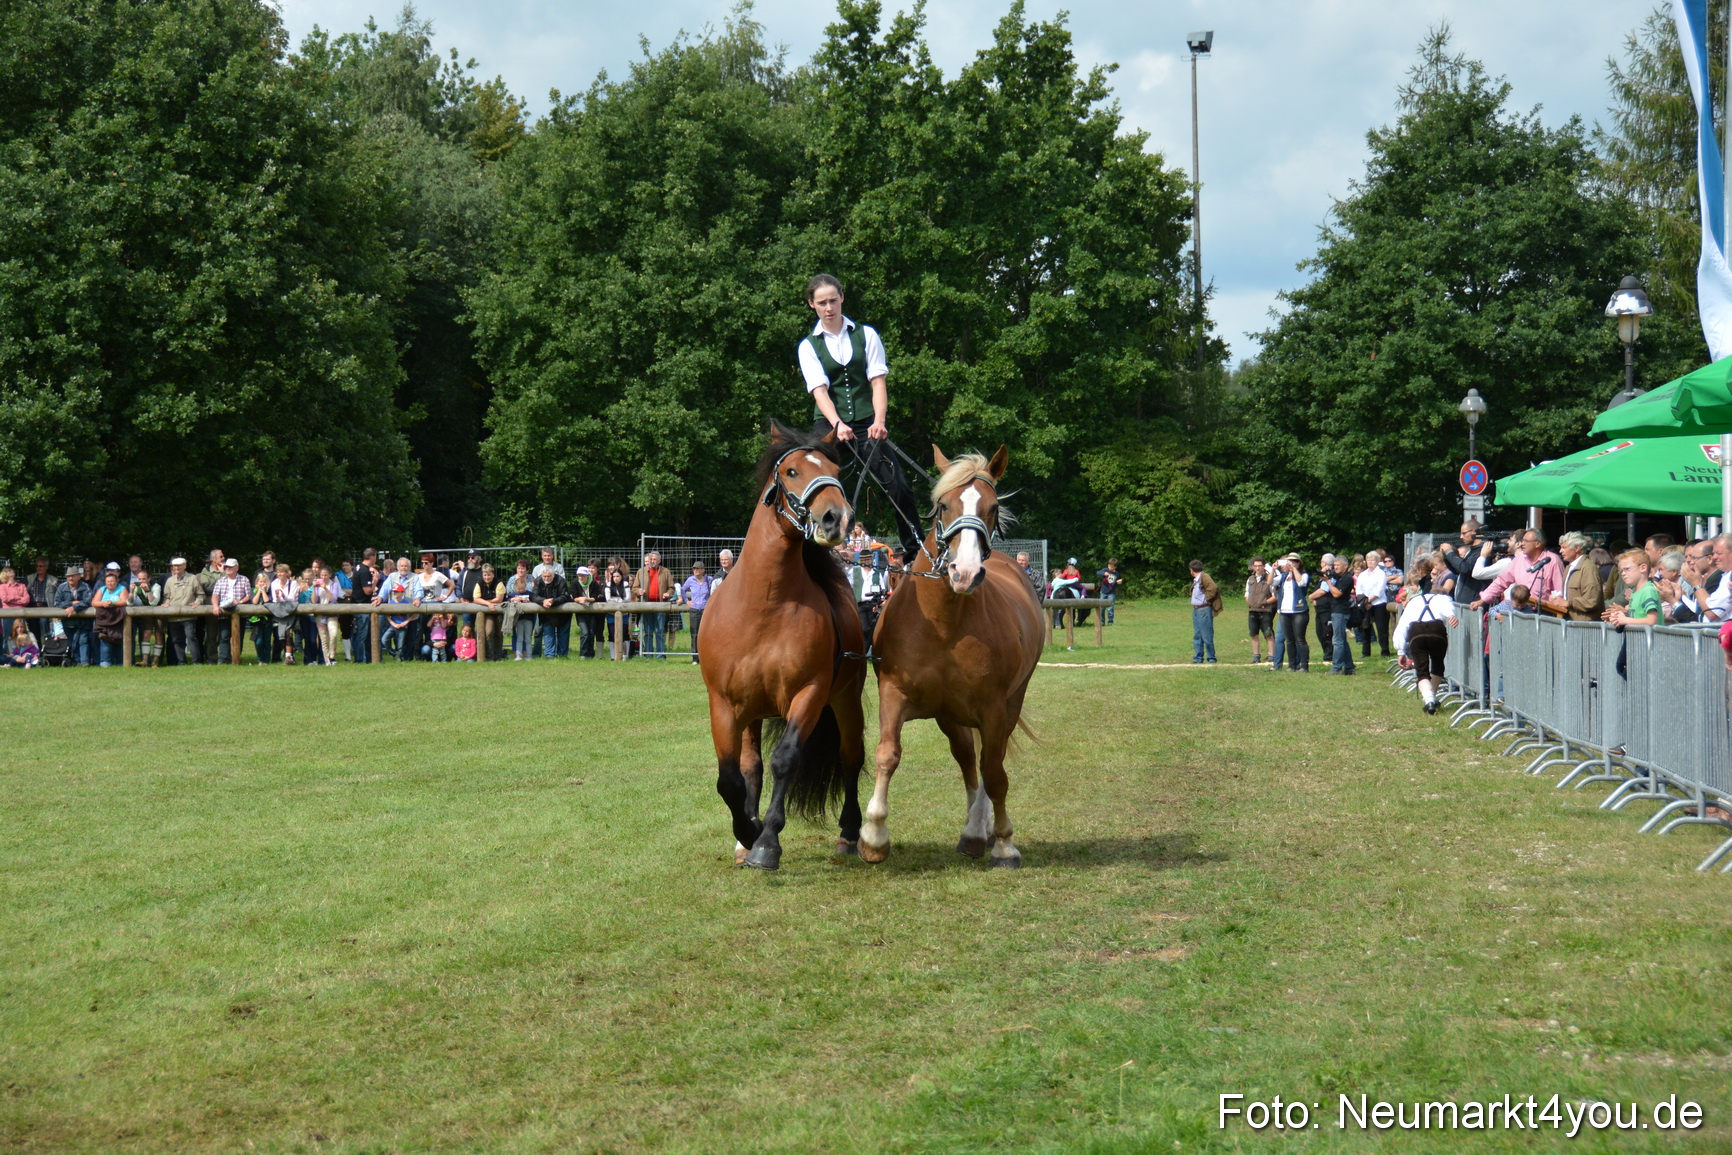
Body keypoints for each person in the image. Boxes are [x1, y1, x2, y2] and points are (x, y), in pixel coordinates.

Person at [797, 272, 922, 558]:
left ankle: (915, 549)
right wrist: (838, 423)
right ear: (811, 304)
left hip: (868, 422)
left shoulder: (866, 334)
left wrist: (879, 421)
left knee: (898, 484)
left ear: (842, 298)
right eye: (821, 303)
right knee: (807, 473)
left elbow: (878, 382)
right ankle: (806, 547)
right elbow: (820, 391)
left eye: (833, 300)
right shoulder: (808, 346)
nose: (828, 308)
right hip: (829, 423)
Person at [1393, 561, 1460, 715]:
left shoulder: (1414, 601)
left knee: (1421, 668)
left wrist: (1400, 651)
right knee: (1437, 664)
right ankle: (1432, 697)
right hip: (1437, 629)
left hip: (1417, 631)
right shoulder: (1443, 598)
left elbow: (1402, 625)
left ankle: (1429, 699)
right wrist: (1451, 616)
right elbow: (1449, 611)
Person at [1473, 529, 1563, 610]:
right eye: (1522, 540)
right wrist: (1482, 600)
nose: (1522, 544)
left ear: (1538, 544)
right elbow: (1502, 581)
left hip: (1544, 615)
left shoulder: (1552, 560)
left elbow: (1559, 592)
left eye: (1526, 541)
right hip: (1521, 612)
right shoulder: (1520, 558)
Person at [1542, 531, 1605, 621]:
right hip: (1570, 622)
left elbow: (1592, 601)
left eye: (1564, 547)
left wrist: (1567, 603)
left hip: (1585, 626)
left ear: (1577, 548)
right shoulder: (1569, 567)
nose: (1560, 551)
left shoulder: (1588, 569)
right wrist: (1557, 600)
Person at [632, 551, 676, 660]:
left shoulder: (666, 572)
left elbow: (672, 588)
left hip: (661, 605)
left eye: (654, 559)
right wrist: (639, 591)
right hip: (646, 605)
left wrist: (668, 594)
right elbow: (634, 588)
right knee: (648, 631)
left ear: (659, 560)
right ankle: (648, 655)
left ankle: (661, 655)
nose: (652, 561)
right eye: (650, 559)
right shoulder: (641, 572)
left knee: (660, 631)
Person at [1316, 554, 1355, 675]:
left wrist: (1327, 581)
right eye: (1335, 565)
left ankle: (1336, 667)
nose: (1336, 567)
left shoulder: (1347, 578)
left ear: (1345, 566)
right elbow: (1323, 574)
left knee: (1337, 641)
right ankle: (1349, 667)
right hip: (1336, 611)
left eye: (1338, 565)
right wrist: (1325, 572)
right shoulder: (1339, 576)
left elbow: (1337, 594)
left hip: (1340, 612)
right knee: (1342, 640)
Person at [1271, 552, 1310, 673]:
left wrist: (1294, 570)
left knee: (1300, 639)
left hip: (1299, 610)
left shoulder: (1304, 575)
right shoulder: (1284, 576)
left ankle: (1304, 665)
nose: (1291, 563)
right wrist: (1273, 570)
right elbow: (1270, 582)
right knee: (1290, 640)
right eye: (1289, 561)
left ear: (1298, 563)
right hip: (1285, 611)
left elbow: (1301, 582)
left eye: (1293, 561)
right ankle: (1292, 665)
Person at [1605, 550, 1661, 628]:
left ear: (1643, 568)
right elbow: (1637, 618)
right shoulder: (1635, 593)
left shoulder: (1648, 591)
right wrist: (1617, 618)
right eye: (1621, 571)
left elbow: (1651, 620)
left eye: (1627, 569)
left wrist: (1625, 620)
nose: (1623, 574)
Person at [91, 563, 130, 667]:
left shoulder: (122, 588)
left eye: (112, 581)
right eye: (108, 581)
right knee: (105, 643)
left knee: (119, 642)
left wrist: (112, 603)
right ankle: (105, 663)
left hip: (119, 621)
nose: (110, 583)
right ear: (105, 582)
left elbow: (125, 601)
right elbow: (94, 602)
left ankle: (120, 663)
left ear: (117, 581)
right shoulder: (102, 589)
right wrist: (103, 603)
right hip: (104, 622)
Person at [1354, 550, 1391, 657]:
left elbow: (1379, 590)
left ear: (1377, 561)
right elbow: (1359, 589)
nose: (1370, 562)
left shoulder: (1381, 573)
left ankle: (1385, 651)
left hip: (1379, 603)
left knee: (1381, 628)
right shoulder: (1362, 574)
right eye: (1368, 560)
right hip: (1365, 604)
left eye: (1373, 560)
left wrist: (1369, 600)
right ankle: (1365, 652)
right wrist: (1365, 601)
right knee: (1365, 627)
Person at [55, 565, 93, 666]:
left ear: (78, 577)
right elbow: (57, 603)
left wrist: (75, 608)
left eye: (73, 576)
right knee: (72, 642)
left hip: (83, 621)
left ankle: (84, 662)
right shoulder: (61, 587)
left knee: (83, 641)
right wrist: (72, 603)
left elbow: (88, 601)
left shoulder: (85, 587)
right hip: (68, 621)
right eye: (68, 576)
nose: (70, 578)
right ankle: (76, 662)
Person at [532, 562, 571, 658]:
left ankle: (562, 656)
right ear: (541, 575)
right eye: (544, 576)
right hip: (546, 614)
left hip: (563, 613)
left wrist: (553, 601)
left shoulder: (561, 581)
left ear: (554, 575)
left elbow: (565, 596)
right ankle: (550, 655)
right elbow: (533, 596)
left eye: (548, 576)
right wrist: (543, 601)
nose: (546, 578)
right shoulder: (538, 581)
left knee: (563, 635)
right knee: (548, 634)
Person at [679, 561, 713, 665]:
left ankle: (705, 656)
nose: (695, 571)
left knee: (707, 634)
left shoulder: (709, 580)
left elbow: (714, 592)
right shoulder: (690, 579)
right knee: (694, 634)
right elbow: (682, 589)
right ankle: (695, 657)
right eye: (694, 569)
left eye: (698, 568)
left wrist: (710, 603)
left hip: (705, 610)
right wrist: (686, 600)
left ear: (703, 570)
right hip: (694, 610)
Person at [1187, 559, 1220, 664]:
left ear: (1191, 570)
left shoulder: (1204, 577)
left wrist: (1206, 600)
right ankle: (1198, 657)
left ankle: (1211, 657)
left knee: (1206, 634)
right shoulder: (1198, 579)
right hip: (1197, 610)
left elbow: (1213, 588)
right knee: (1197, 634)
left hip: (1203, 609)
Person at [1244, 557, 1276, 663]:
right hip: (1253, 610)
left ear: (1264, 566)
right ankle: (1256, 657)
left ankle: (1272, 656)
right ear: (1253, 567)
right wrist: (1250, 603)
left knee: (1268, 633)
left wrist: (1264, 603)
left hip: (1265, 611)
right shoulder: (1250, 579)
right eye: (1256, 566)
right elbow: (1247, 594)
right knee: (1253, 634)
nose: (1258, 568)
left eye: (1260, 565)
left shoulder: (1269, 579)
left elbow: (1275, 596)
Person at [504, 559, 537, 659]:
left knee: (528, 635)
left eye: (523, 568)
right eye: (519, 568)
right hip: (517, 612)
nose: (520, 570)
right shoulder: (512, 579)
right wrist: (515, 598)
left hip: (529, 613)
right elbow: (509, 594)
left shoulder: (531, 578)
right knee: (517, 634)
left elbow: (534, 594)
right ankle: (517, 653)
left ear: (527, 570)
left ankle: (527, 654)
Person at [130, 564, 163, 666]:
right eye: (139, 579)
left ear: (149, 579)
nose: (141, 581)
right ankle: (144, 661)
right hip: (147, 614)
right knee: (146, 634)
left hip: (160, 613)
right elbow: (129, 603)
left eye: (144, 579)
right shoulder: (137, 587)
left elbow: (154, 603)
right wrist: (131, 591)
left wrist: (148, 591)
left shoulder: (156, 586)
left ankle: (155, 662)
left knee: (158, 635)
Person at [472, 562, 505, 659]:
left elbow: (499, 599)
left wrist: (484, 601)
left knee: (499, 633)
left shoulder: (499, 583)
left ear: (493, 574)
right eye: (485, 575)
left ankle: (498, 656)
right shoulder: (479, 584)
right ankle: (490, 656)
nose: (487, 577)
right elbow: (475, 598)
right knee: (489, 632)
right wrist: (489, 603)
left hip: (499, 611)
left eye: (489, 575)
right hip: (487, 612)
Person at [0, 566, 30, 659]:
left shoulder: (22, 586)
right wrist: (18, 598)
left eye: (11, 570)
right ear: (5, 574)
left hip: (20, 614)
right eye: (8, 571)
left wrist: (11, 600)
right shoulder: (2, 586)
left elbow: (26, 600)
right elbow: (4, 598)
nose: (10, 572)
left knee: (22, 636)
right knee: (6, 637)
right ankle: (4, 658)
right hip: (7, 614)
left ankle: (23, 656)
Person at [604, 562, 632, 658]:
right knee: (612, 635)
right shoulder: (608, 585)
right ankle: (613, 656)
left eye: (618, 576)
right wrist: (620, 600)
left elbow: (628, 598)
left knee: (624, 634)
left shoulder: (625, 584)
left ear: (621, 577)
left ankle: (624, 655)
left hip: (624, 613)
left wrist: (616, 600)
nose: (615, 578)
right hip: (611, 614)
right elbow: (608, 599)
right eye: (614, 576)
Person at [1096, 559, 1123, 625]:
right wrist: (1104, 573)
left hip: (1111, 593)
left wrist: (1119, 582)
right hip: (1103, 592)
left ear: (1115, 567)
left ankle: (1110, 622)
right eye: (1109, 566)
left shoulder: (1117, 573)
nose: (1110, 567)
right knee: (1102, 608)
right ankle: (1102, 621)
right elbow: (1098, 572)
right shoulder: (1105, 570)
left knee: (1110, 608)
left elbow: (1115, 583)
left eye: (1111, 566)